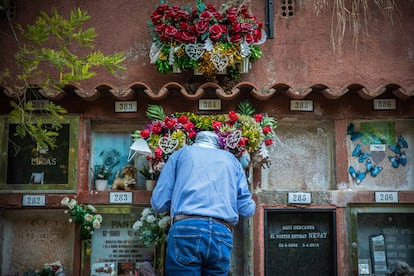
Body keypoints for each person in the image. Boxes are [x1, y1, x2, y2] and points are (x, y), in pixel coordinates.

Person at [151, 131, 256, 275]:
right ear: (218, 144)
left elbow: (158, 203)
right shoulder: (232, 161)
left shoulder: (180, 155)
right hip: (221, 233)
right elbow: (247, 208)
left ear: (195, 141)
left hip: (186, 229)